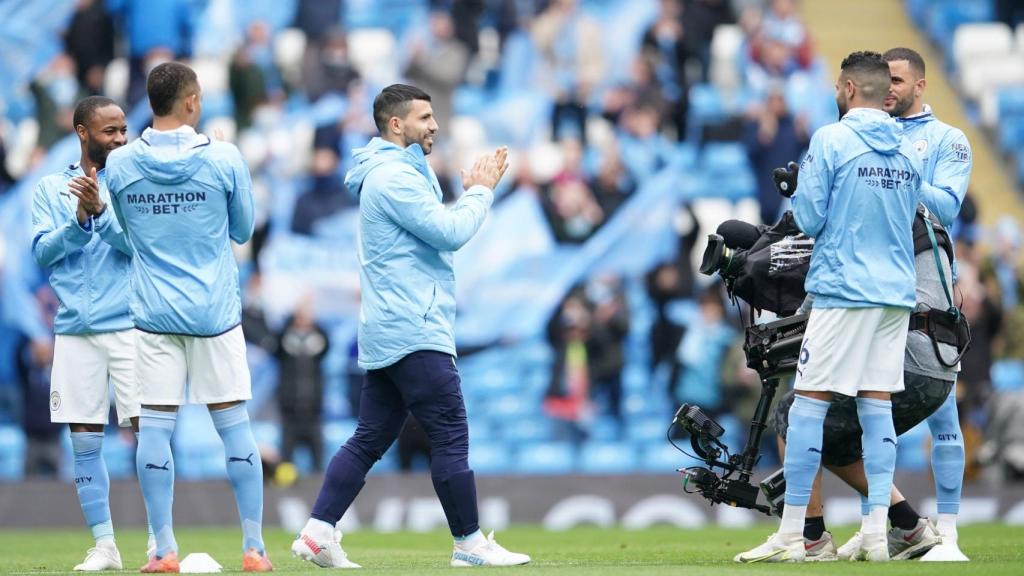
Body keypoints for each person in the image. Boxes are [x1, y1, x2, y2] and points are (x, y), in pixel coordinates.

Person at [290, 83, 530, 568]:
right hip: (414, 327)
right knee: (450, 433)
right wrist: (480, 192)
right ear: (396, 124)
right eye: (424, 117)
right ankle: (469, 545)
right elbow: (450, 232)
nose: (434, 125)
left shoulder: (396, 172)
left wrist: (467, 194)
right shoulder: (393, 177)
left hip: (390, 326)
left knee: (370, 437)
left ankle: (317, 533)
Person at [735, 51, 922, 563]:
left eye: (839, 87)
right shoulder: (907, 149)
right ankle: (878, 531)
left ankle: (796, 533)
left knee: (807, 408)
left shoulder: (832, 139)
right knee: (875, 407)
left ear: (848, 88)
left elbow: (810, 218)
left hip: (844, 290)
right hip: (894, 294)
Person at [104, 62, 271, 572]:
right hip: (213, 315)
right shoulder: (223, 157)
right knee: (234, 427)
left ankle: (163, 549)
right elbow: (243, 230)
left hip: (153, 316)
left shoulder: (121, 165)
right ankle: (254, 548)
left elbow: (124, 235)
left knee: (153, 431)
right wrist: (223, 162)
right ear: (193, 101)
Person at [767, 206, 960, 562]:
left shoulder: (877, 213)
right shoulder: (927, 219)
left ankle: (810, 535)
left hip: (907, 358)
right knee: (835, 441)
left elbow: (840, 282)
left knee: (793, 413)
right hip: (943, 366)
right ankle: (908, 526)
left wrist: (790, 325)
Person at [31, 95, 144, 571]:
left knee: (149, 431)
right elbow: (42, 253)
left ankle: (161, 544)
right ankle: (105, 546)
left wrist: (101, 213)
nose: (120, 138)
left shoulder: (138, 182)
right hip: (75, 329)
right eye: (110, 131)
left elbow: (140, 247)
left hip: (131, 325)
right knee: (84, 440)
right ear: (82, 132)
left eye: (123, 130)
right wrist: (79, 221)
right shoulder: (50, 188)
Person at [880, 46, 973, 562]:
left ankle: (949, 532)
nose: (887, 87)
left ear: (920, 85)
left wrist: (898, 169)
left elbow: (948, 207)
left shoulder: (947, 140)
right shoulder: (866, 133)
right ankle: (877, 527)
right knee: (872, 408)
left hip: (927, 286)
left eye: (896, 79)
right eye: (882, 79)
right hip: (872, 286)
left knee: (943, 412)